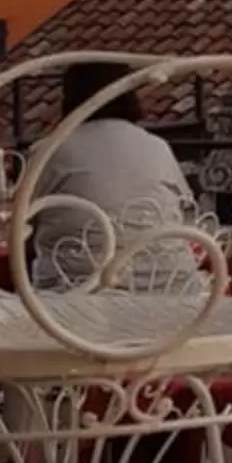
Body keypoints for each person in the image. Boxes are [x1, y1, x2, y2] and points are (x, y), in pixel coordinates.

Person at [31, 59, 199, 291]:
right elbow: (185, 211)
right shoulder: (158, 146)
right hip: (174, 290)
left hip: (76, 297)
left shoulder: (49, 151)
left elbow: (19, 224)